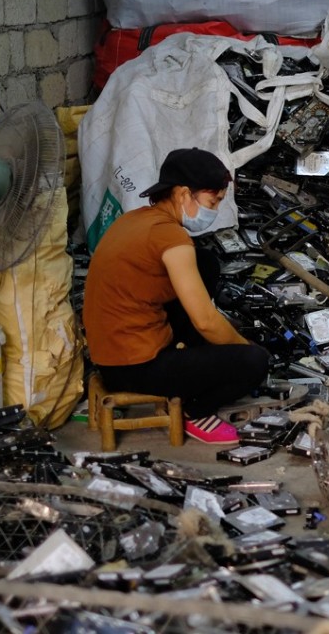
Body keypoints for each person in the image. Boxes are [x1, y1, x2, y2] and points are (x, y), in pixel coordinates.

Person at [83, 148, 270, 444]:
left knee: (204, 261)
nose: (215, 210)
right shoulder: (169, 236)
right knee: (255, 361)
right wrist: (243, 347)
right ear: (184, 194)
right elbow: (206, 321)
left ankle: (189, 352)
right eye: (213, 201)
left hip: (111, 357)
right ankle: (195, 412)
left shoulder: (136, 220)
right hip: (134, 368)